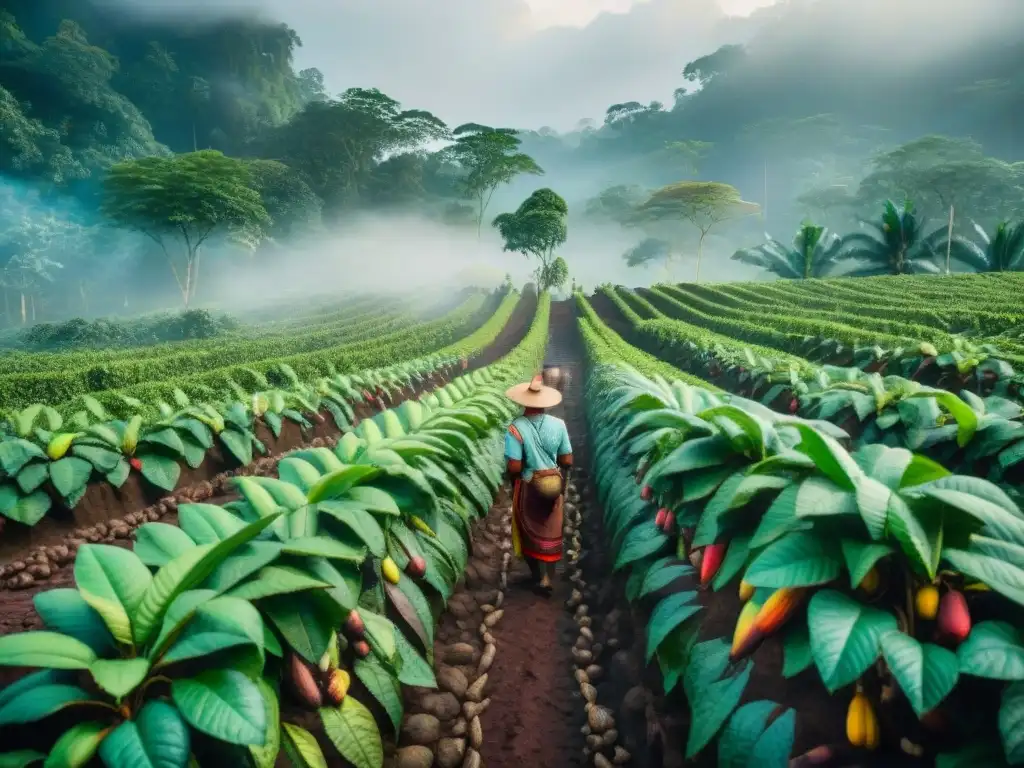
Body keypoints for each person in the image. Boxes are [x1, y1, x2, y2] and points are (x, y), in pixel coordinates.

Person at [503, 373, 573, 594]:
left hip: (529, 484)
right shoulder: (559, 425)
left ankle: (536, 575)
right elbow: (567, 460)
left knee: (527, 530)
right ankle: (548, 578)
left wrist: (516, 475)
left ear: (524, 401)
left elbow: (514, 467)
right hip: (553, 483)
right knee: (553, 529)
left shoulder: (515, 428)